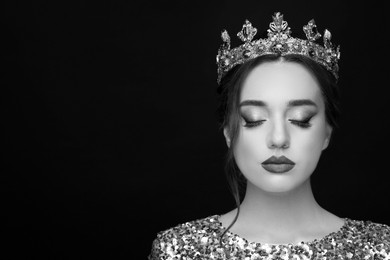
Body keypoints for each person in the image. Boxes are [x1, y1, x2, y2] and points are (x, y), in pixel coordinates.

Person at [148, 12, 390, 259]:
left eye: (300, 119)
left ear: (327, 131)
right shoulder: (177, 251)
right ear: (228, 132)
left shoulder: (381, 249)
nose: (278, 138)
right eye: (254, 119)